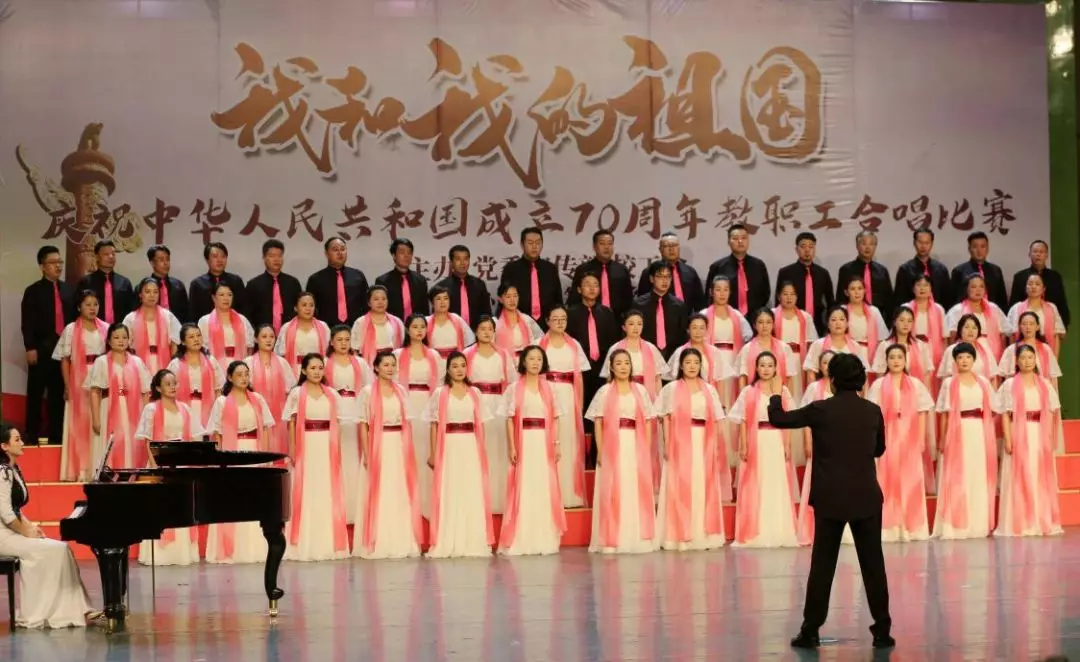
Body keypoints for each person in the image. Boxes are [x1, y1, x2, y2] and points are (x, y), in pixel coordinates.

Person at [764, 353, 893, 649]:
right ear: (860, 380)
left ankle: (810, 630)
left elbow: (779, 419)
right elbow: (878, 449)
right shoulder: (872, 411)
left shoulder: (821, 409)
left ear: (832, 380)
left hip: (830, 498)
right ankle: (882, 630)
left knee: (823, 566)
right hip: (865, 497)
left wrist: (775, 395)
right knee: (873, 565)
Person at [0, 425, 98, 628]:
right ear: (4, 446)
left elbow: (16, 510)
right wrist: (26, 532)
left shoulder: (13, 470)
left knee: (62, 549)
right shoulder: (2, 473)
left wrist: (31, 527)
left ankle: (77, 608)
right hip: (3, 536)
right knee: (56, 550)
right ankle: (44, 611)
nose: (22, 443)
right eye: (17, 440)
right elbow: (6, 514)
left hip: (12, 531)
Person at [655, 348, 731, 551]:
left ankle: (703, 534)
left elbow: (717, 420)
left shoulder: (709, 390)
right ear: (681, 365)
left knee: (702, 485)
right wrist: (667, 443)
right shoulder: (671, 389)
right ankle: (678, 535)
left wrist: (715, 446)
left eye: (696, 363)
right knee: (680, 485)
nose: (692, 366)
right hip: (679, 442)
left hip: (703, 441)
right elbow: (665, 417)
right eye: (688, 362)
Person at [585, 348, 659, 554]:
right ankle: (611, 537)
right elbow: (598, 422)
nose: (623, 367)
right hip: (612, 445)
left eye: (626, 363)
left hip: (635, 443)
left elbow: (648, 420)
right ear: (611, 367)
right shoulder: (604, 392)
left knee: (633, 487)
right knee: (613, 488)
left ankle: (636, 536)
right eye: (618, 363)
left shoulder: (640, 391)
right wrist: (600, 449)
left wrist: (645, 447)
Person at [423, 351, 496, 558]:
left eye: (463, 365)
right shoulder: (440, 393)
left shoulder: (475, 393)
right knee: (451, 489)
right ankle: (449, 539)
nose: (459, 370)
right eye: (455, 366)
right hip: (449, 446)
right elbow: (434, 425)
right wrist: (433, 452)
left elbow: (480, 424)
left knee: (470, 489)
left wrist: (481, 450)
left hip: (470, 446)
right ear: (448, 369)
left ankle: (473, 540)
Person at [352, 352, 424, 560]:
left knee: (398, 489)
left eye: (393, 364)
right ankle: (377, 540)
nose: (390, 368)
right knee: (380, 490)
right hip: (378, 444)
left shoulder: (401, 391)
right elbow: (363, 425)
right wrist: (367, 453)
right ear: (376, 367)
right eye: (385, 365)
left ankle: (401, 539)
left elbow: (407, 423)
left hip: (398, 445)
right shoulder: (367, 392)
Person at [497, 346, 568, 556]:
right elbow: (510, 419)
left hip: (544, 442)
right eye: (531, 359)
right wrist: (512, 446)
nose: (536, 362)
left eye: (539, 359)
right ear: (524, 362)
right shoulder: (514, 389)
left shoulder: (550, 388)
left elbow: (555, 418)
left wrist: (556, 443)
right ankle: (521, 537)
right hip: (524, 441)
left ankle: (543, 537)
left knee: (543, 486)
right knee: (524, 485)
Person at [283, 354, 352, 561]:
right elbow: (291, 423)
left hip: (326, 446)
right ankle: (303, 544)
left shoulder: (332, 394)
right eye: (312, 368)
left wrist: (337, 449)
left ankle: (329, 543)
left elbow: (337, 424)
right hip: (306, 445)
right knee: (306, 490)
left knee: (326, 490)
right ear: (304, 370)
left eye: (320, 368)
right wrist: (293, 449)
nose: (317, 372)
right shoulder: (297, 393)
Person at [205, 361, 276, 563]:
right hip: (233, 453)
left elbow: (266, 429)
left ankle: (256, 548)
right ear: (229, 377)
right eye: (239, 374)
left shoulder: (257, 399)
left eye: (246, 374)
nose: (244, 378)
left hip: (254, 451)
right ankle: (232, 549)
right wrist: (221, 460)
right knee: (235, 497)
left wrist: (266, 457)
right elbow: (217, 434)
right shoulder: (222, 402)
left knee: (255, 497)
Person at [728, 352, 799, 548]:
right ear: (756, 368)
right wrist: (744, 444)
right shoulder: (748, 391)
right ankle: (755, 531)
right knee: (757, 483)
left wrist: (787, 445)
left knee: (776, 483)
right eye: (762, 365)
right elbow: (743, 420)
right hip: (757, 439)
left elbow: (788, 419)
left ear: (775, 368)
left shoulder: (782, 391)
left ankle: (779, 531)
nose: (766, 369)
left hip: (776, 440)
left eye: (770, 365)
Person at [135, 369, 205, 566]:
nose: (173, 387)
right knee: (161, 506)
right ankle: (160, 554)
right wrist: (155, 467)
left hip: (180, 464)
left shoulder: (185, 409)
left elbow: (194, 437)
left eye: (174, 383)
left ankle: (181, 554)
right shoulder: (151, 409)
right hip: (159, 464)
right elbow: (148, 442)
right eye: (167, 384)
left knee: (182, 506)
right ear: (158, 388)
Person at [933, 342, 1001, 540]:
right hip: (958, 431)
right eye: (960, 357)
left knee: (977, 475)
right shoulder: (949, 383)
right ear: (955, 361)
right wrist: (943, 438)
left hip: (979, 432)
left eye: (968, 357)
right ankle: (955, 525)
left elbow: (995, 408)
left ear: (974, 360)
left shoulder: (983, 382)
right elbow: (944, 414)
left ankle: (977, 525)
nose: (964, 361)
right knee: (958, 476)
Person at [866, 345, 935, 542]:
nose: (896, 361)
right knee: (886, 477)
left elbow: (922, 412)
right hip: (887, 434)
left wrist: (920, 440)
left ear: (905, 361)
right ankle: (889, 527)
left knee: (910, 479)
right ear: (886, 361)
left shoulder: (916, 384)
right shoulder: (879, 385)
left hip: (909, 434)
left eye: (899, 357)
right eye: (892, 357)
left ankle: (912, 527)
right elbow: (873, 414)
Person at [996, 344, 1064, 537]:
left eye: (1030, 357)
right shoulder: (1009, 385)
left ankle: (1039, 520)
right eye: (1023, 357)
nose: (1026, 361)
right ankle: (1018, 522)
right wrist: (1008, 439)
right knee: (1017, 476)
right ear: (1017, 361)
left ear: (1035, 360)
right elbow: (1005, 414)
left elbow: (1051, 413)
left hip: (1038, 434)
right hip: (1018, 432)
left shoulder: (1045, 384)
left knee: (1038, 476)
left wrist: (1048, 438)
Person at [537, 306, 590, 508]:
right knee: (549, 440)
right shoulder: (539, 345)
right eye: (555, 318)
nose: (560, 322)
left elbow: (580, 377)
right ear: (547, 321)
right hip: (546, 394)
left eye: (563, 319)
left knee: (568, 440)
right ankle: (549, 495)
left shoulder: (574, 345)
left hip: (568, 396)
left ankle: (570, 495)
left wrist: (580, 405)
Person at [52, 291, 108, 481]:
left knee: (98, 421)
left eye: (95, 304)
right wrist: (67, 386)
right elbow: (65, 360)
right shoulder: (71, 329)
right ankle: (81, 468)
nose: (92, 308)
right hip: (78, 381)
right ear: (79, 307)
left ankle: (98, 466)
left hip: (101, 378)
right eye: (88, 304)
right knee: (80, 425)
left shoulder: (106, 328)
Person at [464, 316, 517, 514]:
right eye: (482, 329)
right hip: (475, 404)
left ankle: (499, 499)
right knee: (480, 450)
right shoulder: (467, 354)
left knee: (498, 450)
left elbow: (512, 383)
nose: (486, 332)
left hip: (498, 404)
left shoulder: (502, 354)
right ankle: (479, 499)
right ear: (475, 331)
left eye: (490, 329)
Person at [395, 314, 445, 518]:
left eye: (422, 327)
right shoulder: (398, 354)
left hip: (428, 403)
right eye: (415, 326)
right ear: (407, 329)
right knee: (408, 452)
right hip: (406, 405)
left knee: (426, 450)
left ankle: (427, 504)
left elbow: (441, 384)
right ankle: (407, 505)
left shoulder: (434, 355)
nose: (419, 330)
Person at [22, 246, 73, 446]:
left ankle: (56, 437)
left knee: (58, 396)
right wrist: (30, 347)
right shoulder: (33, 291)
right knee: (35, 394)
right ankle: (31, 437)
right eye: (53, 263)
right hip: (41, 349)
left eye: (60, 262)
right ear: (42, 266)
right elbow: (27, 322)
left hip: (63, 352)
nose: (58, 266)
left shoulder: (68, 290)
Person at [324, 324, 373, 525]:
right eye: (339, 340)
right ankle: (336, 508)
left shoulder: (360, 363)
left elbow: (369, 388)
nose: (344, 344)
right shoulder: (325, 363)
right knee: (337, 456)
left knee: (354, 455)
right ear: (331, 342)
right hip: (332, 412)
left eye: (347, 340)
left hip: (355, 409)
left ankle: (355, 508)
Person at [566, 272, 620, 455]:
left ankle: (599, 453)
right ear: (579, 289)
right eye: (587, 284)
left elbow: (613, 343)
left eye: (596, 285)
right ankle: (580, 453)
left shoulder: (607, 313)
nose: (592, 288)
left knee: (601, 412)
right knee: (580, 412)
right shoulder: (570, 313)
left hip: (602, 369)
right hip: (580, 370)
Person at [86, 324, 152, 469]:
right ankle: (108, 472)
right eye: (116, 337)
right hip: (108, 408)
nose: (121, 341)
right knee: (112, 442)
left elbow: (145, 392)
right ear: (109, 341)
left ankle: (132, 470)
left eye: (124, 337)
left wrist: (146, 419)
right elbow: (95, 391)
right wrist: (96, 419)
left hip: (133, 409)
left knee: (131, 441)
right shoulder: (101, 361)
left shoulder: (137, 362)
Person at [795, 350, 835, 546]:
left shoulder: (846, 387)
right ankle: (815, 530)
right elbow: (807, 416)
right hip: (819, 441)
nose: (828, 366)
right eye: (825, 362)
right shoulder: (813, 388)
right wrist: (807, 441)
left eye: (832, 362)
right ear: (819, 366)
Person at [245, 324, 296, 456]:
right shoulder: (248, 362)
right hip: (256, 412)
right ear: (256, 339)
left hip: (279, 414)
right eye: (264, 336)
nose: (268, 340)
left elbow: (291, 392)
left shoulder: (282, 363)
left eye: (272, 337)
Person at [499, 228, 564, 328]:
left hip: (548, 324)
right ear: (522, 245)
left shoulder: (551, 269)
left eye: (538, 243)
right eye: (530, 243)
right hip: (518, 323)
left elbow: (558, 299)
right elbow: (504, 300)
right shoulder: (511, 269)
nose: (534, 246)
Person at [166, 324, 225, 431]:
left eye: (198, 335)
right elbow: (168, 391)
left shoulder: (211, 361)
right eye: (191, 337)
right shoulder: (175, 364)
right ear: (183, 342)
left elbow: (218, 389)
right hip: (183, 410)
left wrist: (217, 413)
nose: (196, 339)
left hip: (208, 410)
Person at [705, 224, 771, 317]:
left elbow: (765, 293)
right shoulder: (718, 267)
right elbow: (709, 296)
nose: (740, 241)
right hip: (726, 317)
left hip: (755, 318)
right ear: (728, 242)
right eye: (735, 238)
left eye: (744, 238)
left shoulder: (759, 266)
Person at [774, 232, 833, 335]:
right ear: (796, 249)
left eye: (811, 247)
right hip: (792, 323)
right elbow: (778, 301)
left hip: (817, 324)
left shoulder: (823, 273)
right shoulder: (785, 272)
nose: (807, 250)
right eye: (803, 246)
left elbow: (830, 302)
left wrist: (829, 327)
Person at [568, 229, 634, 319]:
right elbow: (574, 299)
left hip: (617, 320)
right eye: (602, 243)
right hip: (589, 319)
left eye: (610, 243)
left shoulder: (621, 270)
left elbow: (628, 300)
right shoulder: (583, 270)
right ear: (594, 246)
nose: (606, 247)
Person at [772, 281, 820, 406]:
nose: (789, 297)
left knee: (798, 393)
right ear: (778, 296)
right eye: (785, 294)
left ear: (797, 296)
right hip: (779, 359)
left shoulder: (805, 317)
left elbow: (811, 343)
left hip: (799, 360)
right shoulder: (772, 315)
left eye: (792, 294)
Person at [306, 237, 370, 327]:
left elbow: (367, 304)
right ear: (326, 254)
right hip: (326, 330)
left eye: (343, 249)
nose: (340, 253)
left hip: (356, 328)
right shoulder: (315, 279)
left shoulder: (358, 276)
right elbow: (310, 308)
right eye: (335, 250)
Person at [122, 278, 181, 375]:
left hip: (165, 366)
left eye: (155, 292)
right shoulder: (130, 318)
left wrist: (172, 366)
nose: (152, 295)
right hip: (138, 367)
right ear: (140, 294)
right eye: (147, 292)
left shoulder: (168, 316)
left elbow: (175, 342)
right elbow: (124, 345)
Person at [631, 262, 689, 360]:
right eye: (660, 276)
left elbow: (683, 335)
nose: (664, 280)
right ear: (651, 279)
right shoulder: (639, 305)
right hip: (645, 354)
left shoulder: (679, 306)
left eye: (668, 276)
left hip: (673, 356)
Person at [733, 308, 799, 394]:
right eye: (761, 322)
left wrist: (788, 398)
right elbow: (743, 377)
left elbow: (789, 378)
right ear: (754, 325)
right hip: (753, 396)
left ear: (773, 324)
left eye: (768, 322)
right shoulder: (747, 349)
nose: (765, 325)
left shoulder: (784, 348)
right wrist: (744, 398)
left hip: (778, 395)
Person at [636, 231, 706, 311]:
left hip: (686, 317)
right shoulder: (649, 272)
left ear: (679, 247)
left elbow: (699, 303)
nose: (671, 249)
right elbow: (642, 301)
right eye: (666, 246)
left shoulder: (690, 272)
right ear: (660, 249)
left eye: (674, 245)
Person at [665, 314, 733, 394]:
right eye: (694, 328)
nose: (698, 332)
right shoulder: (680, 352)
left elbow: (720, 380)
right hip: (685, 394)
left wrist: (720, 401)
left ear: (706, 330)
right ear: (688, 330)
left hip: (709, 395)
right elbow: (675, 380)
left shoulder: (714, 352)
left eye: (701, 328)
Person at [946, 273, 1009, 359]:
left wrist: (1002, 355)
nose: (978, 290)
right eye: (973, 287)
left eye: (981, 286)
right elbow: (952, 336)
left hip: (993, 354)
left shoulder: (994, 308)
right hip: (966, 356)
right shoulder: (957, 310)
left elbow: (1003, 333)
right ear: (966, 289)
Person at [245, 239, 302, 334]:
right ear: (264, 258)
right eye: (272, 256)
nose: (276, 259)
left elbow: (300, 311)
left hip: (290, 335)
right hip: (262, 337)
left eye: (279, 256)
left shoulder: (293, 283)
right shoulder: (253, 285)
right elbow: (247, 315)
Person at [1009, 239, 1070, 329]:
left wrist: (1063, 326)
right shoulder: (1020, 277)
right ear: (1029, 254)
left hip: (1050, 324)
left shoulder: (1055, 277)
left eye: (1041, 252)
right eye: (1035, 251)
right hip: (1026, 327)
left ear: (1046, 255)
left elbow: (1061, 303)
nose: (1038, 254)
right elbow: (1014, 303)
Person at [803, 306, 871, 383]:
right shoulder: (818, 344)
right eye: (833, 320)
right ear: (828, 324)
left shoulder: (855, 346)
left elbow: (863, 371)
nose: (838, 323)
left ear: (847, 324)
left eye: (842, 319)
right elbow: (811, 370)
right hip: (826, 388)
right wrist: (813, 389)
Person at [903, 275, 948, 391]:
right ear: (913, 288)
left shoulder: (938, 309)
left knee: (932, 385)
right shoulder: (905, 308)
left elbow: (944, 337)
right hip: (912, 349)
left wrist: (943, 356)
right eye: (918, 285)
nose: (922, 288)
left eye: (926, 285)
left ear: (931, 289)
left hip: (934, 351)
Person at [835, 230, 893, 320]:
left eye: (871, 244)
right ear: (857, 246)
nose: (868, 247)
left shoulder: (882, 271)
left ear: (875, 246)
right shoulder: (846, 270)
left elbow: (889, 300)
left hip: (878, 318)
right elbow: (841, 299)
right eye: (864, 243)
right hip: (853, 317)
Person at [1008, 271, 1067, 357]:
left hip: (1046, 353)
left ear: (1043, 289)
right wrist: (1014, 358)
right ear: (1026, 288)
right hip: (1023, 355)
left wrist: (1055, 359)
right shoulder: (1016, 308)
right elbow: (1012, 336)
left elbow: (1056, 336)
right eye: (1030, 284)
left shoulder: (1051, 308)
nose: (1033, 286)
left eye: (1037, 284)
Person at [75, 239, 134, 325]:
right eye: (106, 254)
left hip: (118, 330)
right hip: (92, 329)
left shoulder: (124, 282)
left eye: (113, 254)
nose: (111, 257)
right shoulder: (85, 282)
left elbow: (130, 311)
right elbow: (77, 310)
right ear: (97, 257)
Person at [434, 244, 492, 330]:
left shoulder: (479, 285)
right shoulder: (442, 287)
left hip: (476, 333)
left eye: (466, 259)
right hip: (451, 332)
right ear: (451, 262)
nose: (462, 263)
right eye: (458, 259)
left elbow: (487, 313)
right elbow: (437, 315)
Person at [999, 311, 1062, 389]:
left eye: (1031, 324)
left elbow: (1053, 377)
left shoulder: (1046, 349)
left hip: (1041, 391)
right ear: (1019, 327)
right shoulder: (1011, 350)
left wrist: (1053, 395)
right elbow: (1007, 378)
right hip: (1018, 391)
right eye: (1024, 324)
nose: (1028, 327)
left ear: (1037, 327)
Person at [274, 292, 331, 378]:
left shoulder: (323, 327)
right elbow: (279, 355)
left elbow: (330, 353)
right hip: (294, 370)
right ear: (296, 308)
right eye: (304, 305)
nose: (308, 308)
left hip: (318, 371)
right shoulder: (287, 328)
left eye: (311, 305)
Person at [197, 282, 255, 365]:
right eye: (221, 295)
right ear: (213, 297)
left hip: (239, 365)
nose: (226, 298)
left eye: (229, 295)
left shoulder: (242, 319)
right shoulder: (205, 321)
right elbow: (201, 347)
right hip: (214, 365)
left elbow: (250, 346)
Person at [188, 242, 246, 322]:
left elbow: (243, 310)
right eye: (215, 256)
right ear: (207, 259)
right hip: (206, 326)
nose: (220, 260)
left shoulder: (236, 281)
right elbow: (193, 314)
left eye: (223, 256)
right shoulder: (197, 284)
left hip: (233, 325)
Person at [950, 231, 1008, 311]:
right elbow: (953, 300)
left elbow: (1002, 300)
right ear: (969, 249)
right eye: (975, 247)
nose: (979, 250)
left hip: (992, 314)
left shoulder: (996, 270)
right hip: (967, 314)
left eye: (983, 246)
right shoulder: (959, 271)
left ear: (987, 249)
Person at [894, 229, 951, 309]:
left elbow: (947, 299)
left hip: (936, 312)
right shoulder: (905, 270)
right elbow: (899, 299)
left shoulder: (941, 270)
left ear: (932, 244)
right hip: (911, 313)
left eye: (927, 243)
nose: (923, 246)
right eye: (920, 242)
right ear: (914, 243)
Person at [938, 314, 1001, 386]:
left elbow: (993, 378)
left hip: (981, 390)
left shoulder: (985, 350)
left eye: (974, 328)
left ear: (978, 331)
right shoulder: (951, 350)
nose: (970, 331)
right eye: (967, 327)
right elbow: (946, 379)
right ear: (960, 330)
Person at [375, 238, 430, 320]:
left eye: (409, 253)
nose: (406, 256)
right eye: (402, 252)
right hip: (392, 325)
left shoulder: (420, 280)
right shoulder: (383, 281)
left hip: (416, 326)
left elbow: (425, 309)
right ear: (394, 255)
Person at [350, 285, 406, 365]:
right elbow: (354, 348)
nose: (380, 302)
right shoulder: (360, 322)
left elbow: (403, 346)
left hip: (393, 364)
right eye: (376, 299)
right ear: (369, 302)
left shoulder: (397, 322)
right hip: (369, 364)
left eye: (383, 299)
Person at [840, 276, 889, 362]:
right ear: (846, 292)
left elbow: (882, 338)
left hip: (870, 353)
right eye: (852, 289)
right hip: (848, 353)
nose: (857, 292)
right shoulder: (842, 310)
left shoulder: (874, 311)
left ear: (865, 291)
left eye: (860, 288)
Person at [426, 285, 475, 359]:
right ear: (432, 303)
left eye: (446, 298)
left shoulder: (457, 319)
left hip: (455, 361)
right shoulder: (426, 321)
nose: (442, 302)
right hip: (433, 361)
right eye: (438, 299)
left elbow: (470, 340)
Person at [493, 283, 544, 355]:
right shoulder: (495, 322)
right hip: (504, 359)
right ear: (500, 299)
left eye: (515, 296)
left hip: (526, 359)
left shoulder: (526, 319)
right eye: (508, 297)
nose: (512, 300)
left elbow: (540, 338)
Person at [145, 244, 190, 324]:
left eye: (168, 259)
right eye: (161, 260)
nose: (166, 263)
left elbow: (186, 314)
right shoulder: (144, 287)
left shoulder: (178, 286)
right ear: (152, 263)